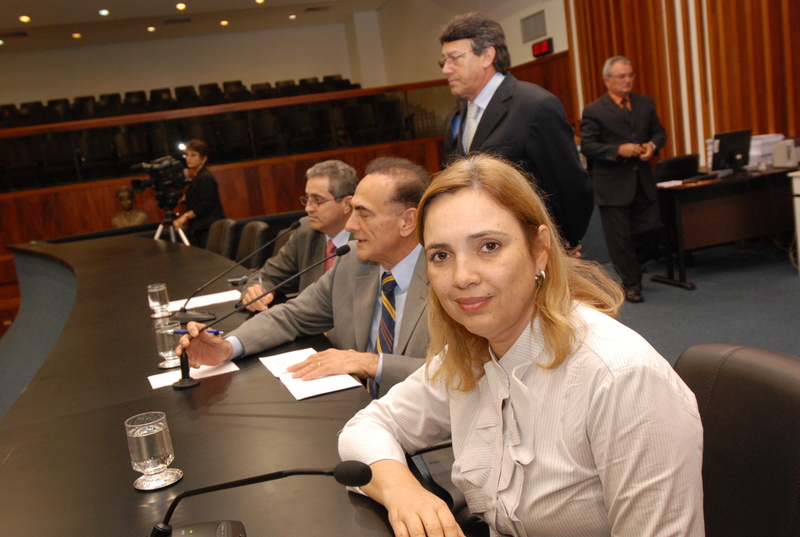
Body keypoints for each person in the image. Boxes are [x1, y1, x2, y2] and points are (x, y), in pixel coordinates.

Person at [338, 155, 704, 537]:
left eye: (489, 246)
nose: (462, 276)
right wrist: (403, 493)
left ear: (539, 249)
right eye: (441, 256)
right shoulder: (472, 353)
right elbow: (367, 427)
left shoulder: (622, 378)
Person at [178, 157, 431, 397]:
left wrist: (371, 363)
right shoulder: (352, 262)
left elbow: (451, 375)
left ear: (407, 221)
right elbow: (292, 316)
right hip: (354, 406)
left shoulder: (445, 279)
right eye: (353, 211)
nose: (350, 225)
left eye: (363, 214)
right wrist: (229, 346)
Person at [439, 12, 593, 254]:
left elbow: (569, 185)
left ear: (486, 56)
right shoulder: (457, 115)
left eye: (455, 58)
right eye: (444, 61)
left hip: (533, 246)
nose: (446, 69)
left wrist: (563, 243)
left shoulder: (535, 105)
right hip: (480, 244)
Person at [580, 56, 667, 303]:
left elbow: (659, 133)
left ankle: (634, 266)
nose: (627, 80)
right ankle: (631, 285)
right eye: (621, 76)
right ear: (607, 80)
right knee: (620, 240)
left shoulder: (644, 103)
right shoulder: (595, 110)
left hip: (643, 181)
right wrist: (618, 150)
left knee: (651, 229)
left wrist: (652, 146)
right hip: (612, 185)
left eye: (630, 75)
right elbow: (588, 146)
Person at [241, 160, 358, 312]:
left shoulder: (368, 240)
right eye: (307, 199)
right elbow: (268, 276)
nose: (308, 208)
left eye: (317, 200)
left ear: (347, 204)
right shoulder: (306, 231)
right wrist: (257, 290)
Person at [173, 139, 226, 248]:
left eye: (193, 155)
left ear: (204, 159)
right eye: (187, 155)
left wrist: (185, 216)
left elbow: (207, 203)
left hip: (209, 228)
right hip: (202, 227)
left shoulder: (205, 178)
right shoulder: (198, 177)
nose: (189, 158)